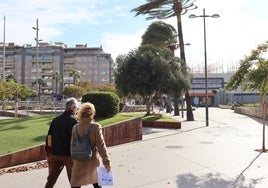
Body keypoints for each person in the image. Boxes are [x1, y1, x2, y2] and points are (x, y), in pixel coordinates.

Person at [70, 102, 111, 188]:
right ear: (92, 113)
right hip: (92, 161)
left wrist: (74, 159)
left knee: (76, 184)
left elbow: (72, 145)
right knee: (96, 183)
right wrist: (106, 162)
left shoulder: (75, 127)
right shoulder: (95, 127)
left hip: (78, 161)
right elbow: (101, 145)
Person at [44, 97, 79, 188]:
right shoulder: (74, 122)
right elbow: (76, 140)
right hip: (69, 155)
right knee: (74, 181)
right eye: (76, 108)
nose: (77, 110)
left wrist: (49, 153)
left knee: (51, 179)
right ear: (73, 108)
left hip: (55, 154)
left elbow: (49, 137)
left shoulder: (55, 120)